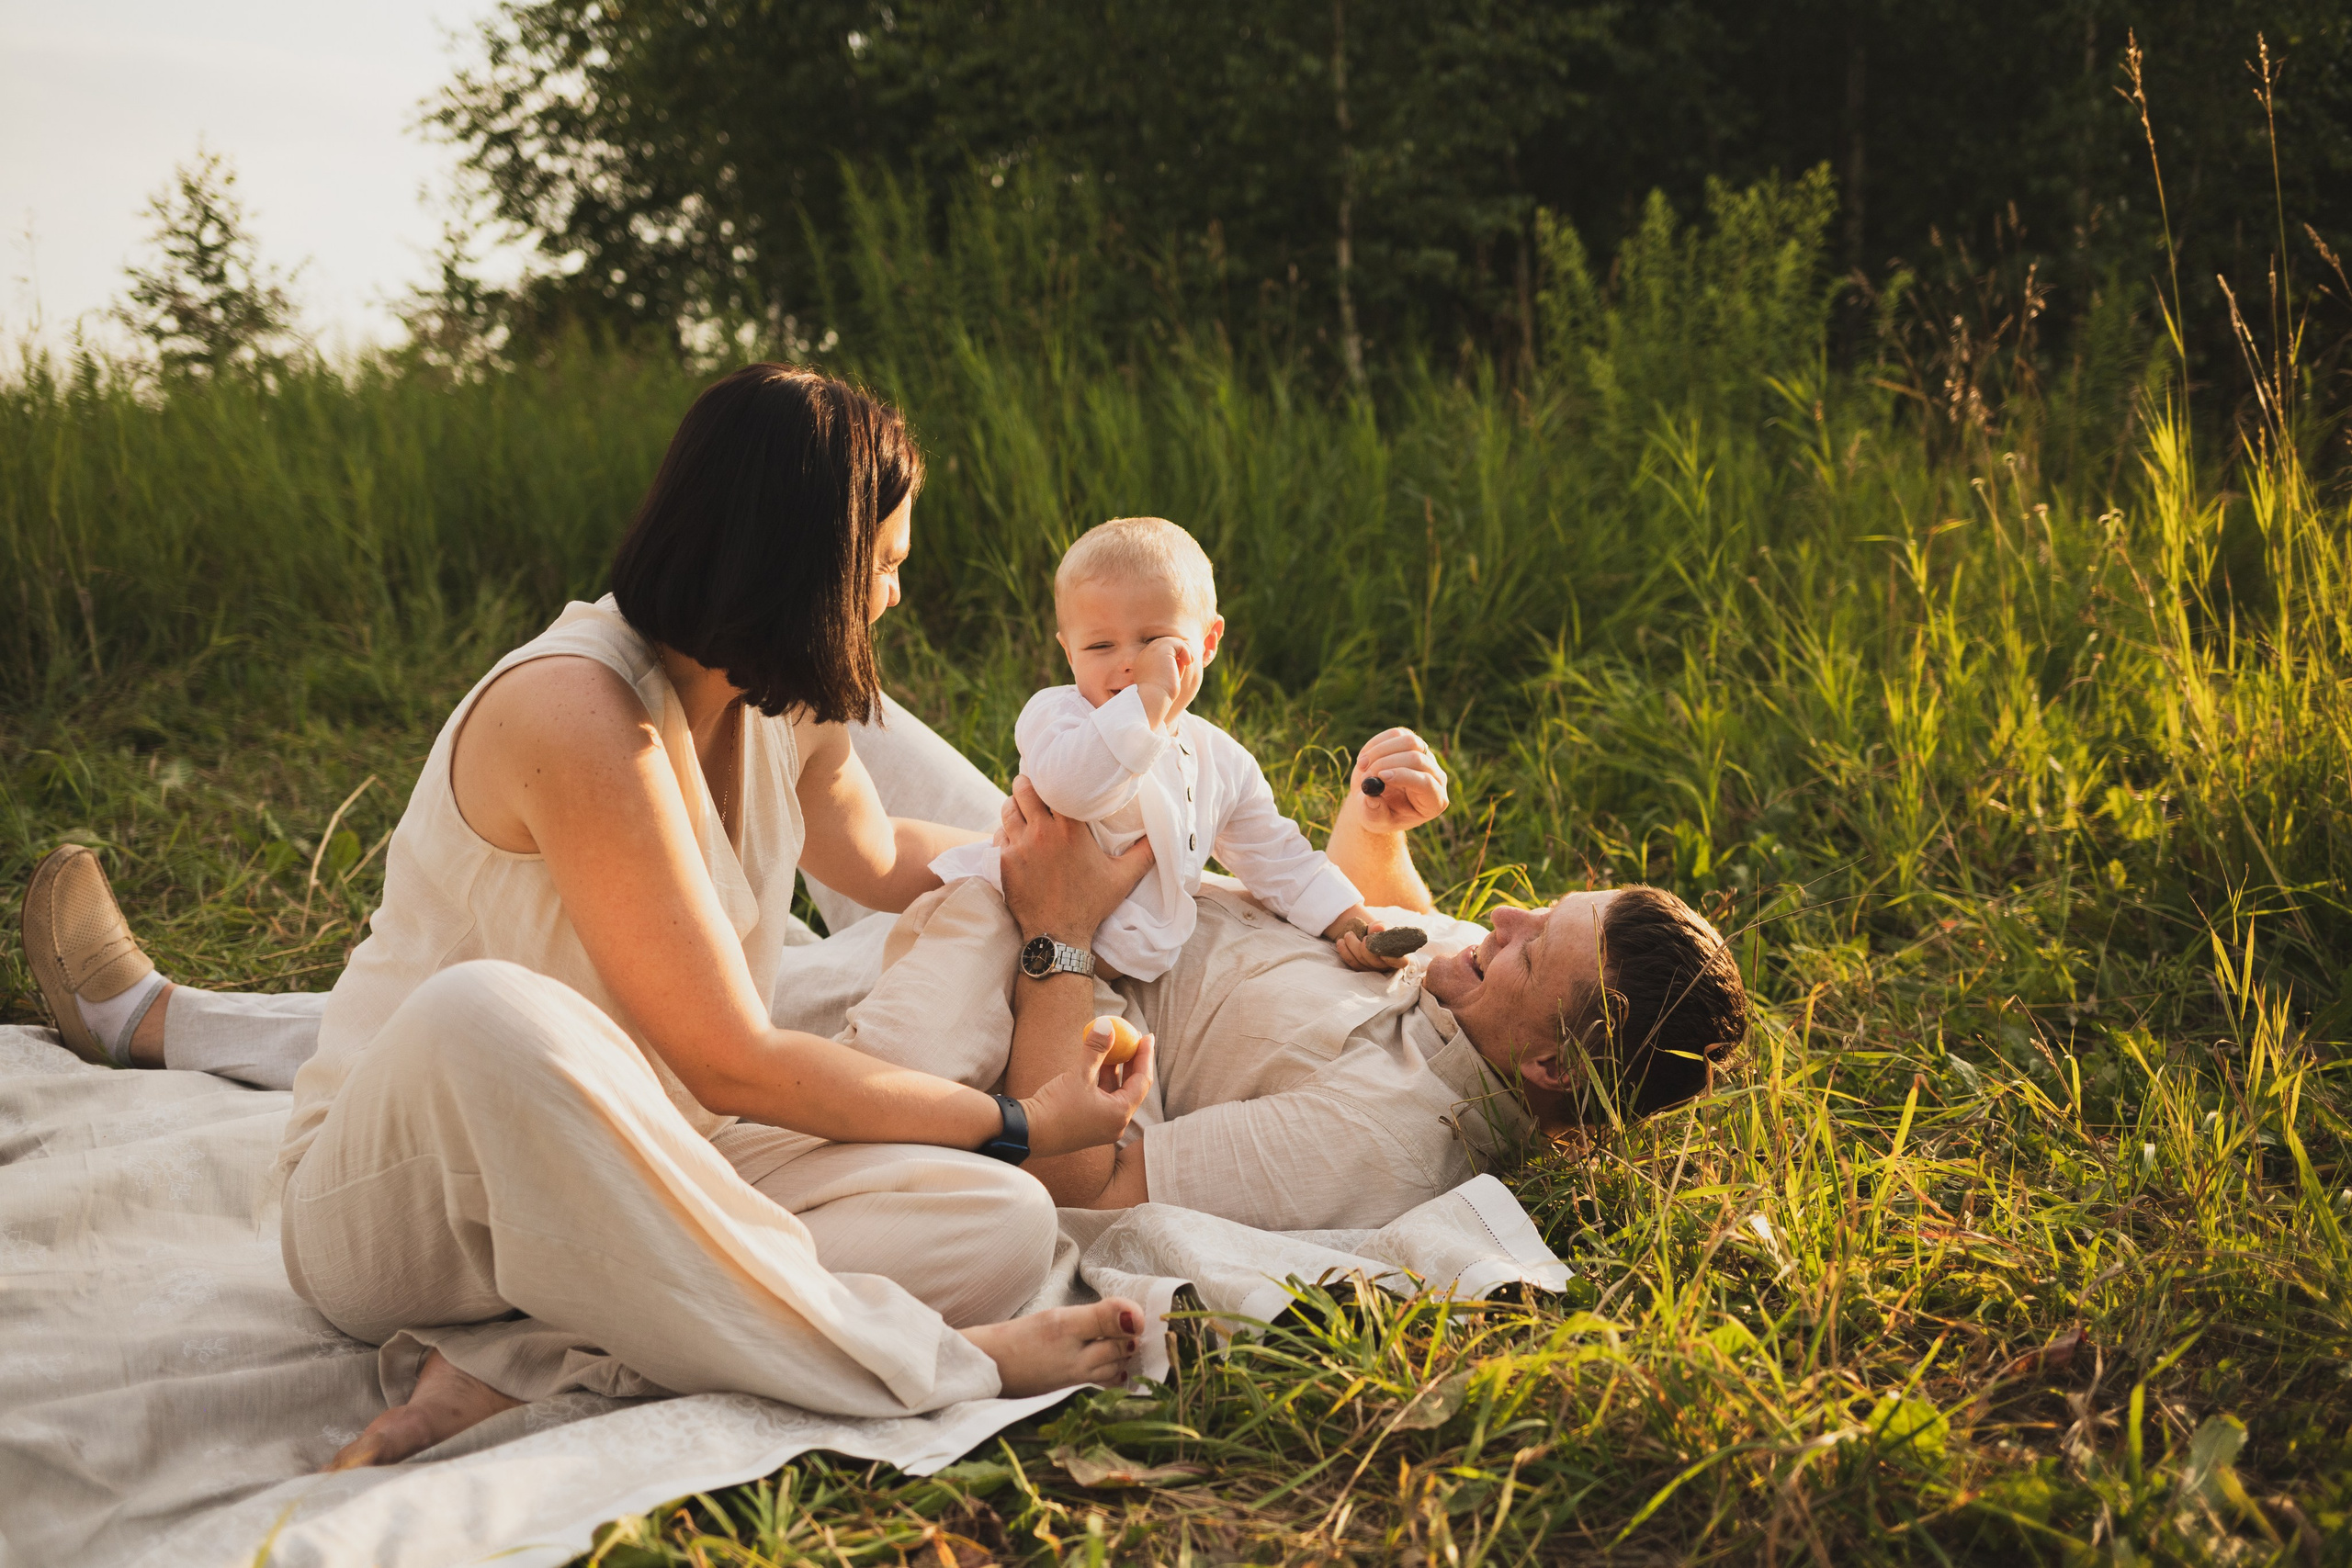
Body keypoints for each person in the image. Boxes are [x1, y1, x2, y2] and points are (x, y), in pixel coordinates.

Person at [19, 364, 1159, 1468]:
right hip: (414, 1201)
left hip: (661, 1159)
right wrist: (1020, 1121)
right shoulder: (574, 709)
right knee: (487, 1010)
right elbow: (735, 1062)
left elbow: (873, 854)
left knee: (997, 1226)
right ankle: (940, 1364)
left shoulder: (777, 699)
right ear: (798, 563)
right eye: (882, 567)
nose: (894, 597)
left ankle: (538, 1352)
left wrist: (1052, 856)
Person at [814, 721, 1750, 1233]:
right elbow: (1388, 926)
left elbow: (1078, 1184)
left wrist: (1057, 929)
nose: (1502, 919)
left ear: (1548, 1068)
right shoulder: (1484, 990)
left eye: (1532, 948)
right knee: (809, 684)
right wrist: (1376, 834)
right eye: (1543, 906)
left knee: (705, 982)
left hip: (1015, 973)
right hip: (1075, 875)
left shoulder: (1371, 1141)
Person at [925, 517, 1399, 982]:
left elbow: (1278, 858)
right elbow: (1073, 790)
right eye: (1099, 646)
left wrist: (1353, 921)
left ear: (1208, 642)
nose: (1130, 664)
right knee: (931, 1031)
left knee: (1081, 1054)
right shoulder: (1057, 717)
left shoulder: (1222, 761)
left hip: (1111, 970)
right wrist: (1149, 702)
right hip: (995, 924)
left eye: (1154, 641)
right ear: (1068, 652)